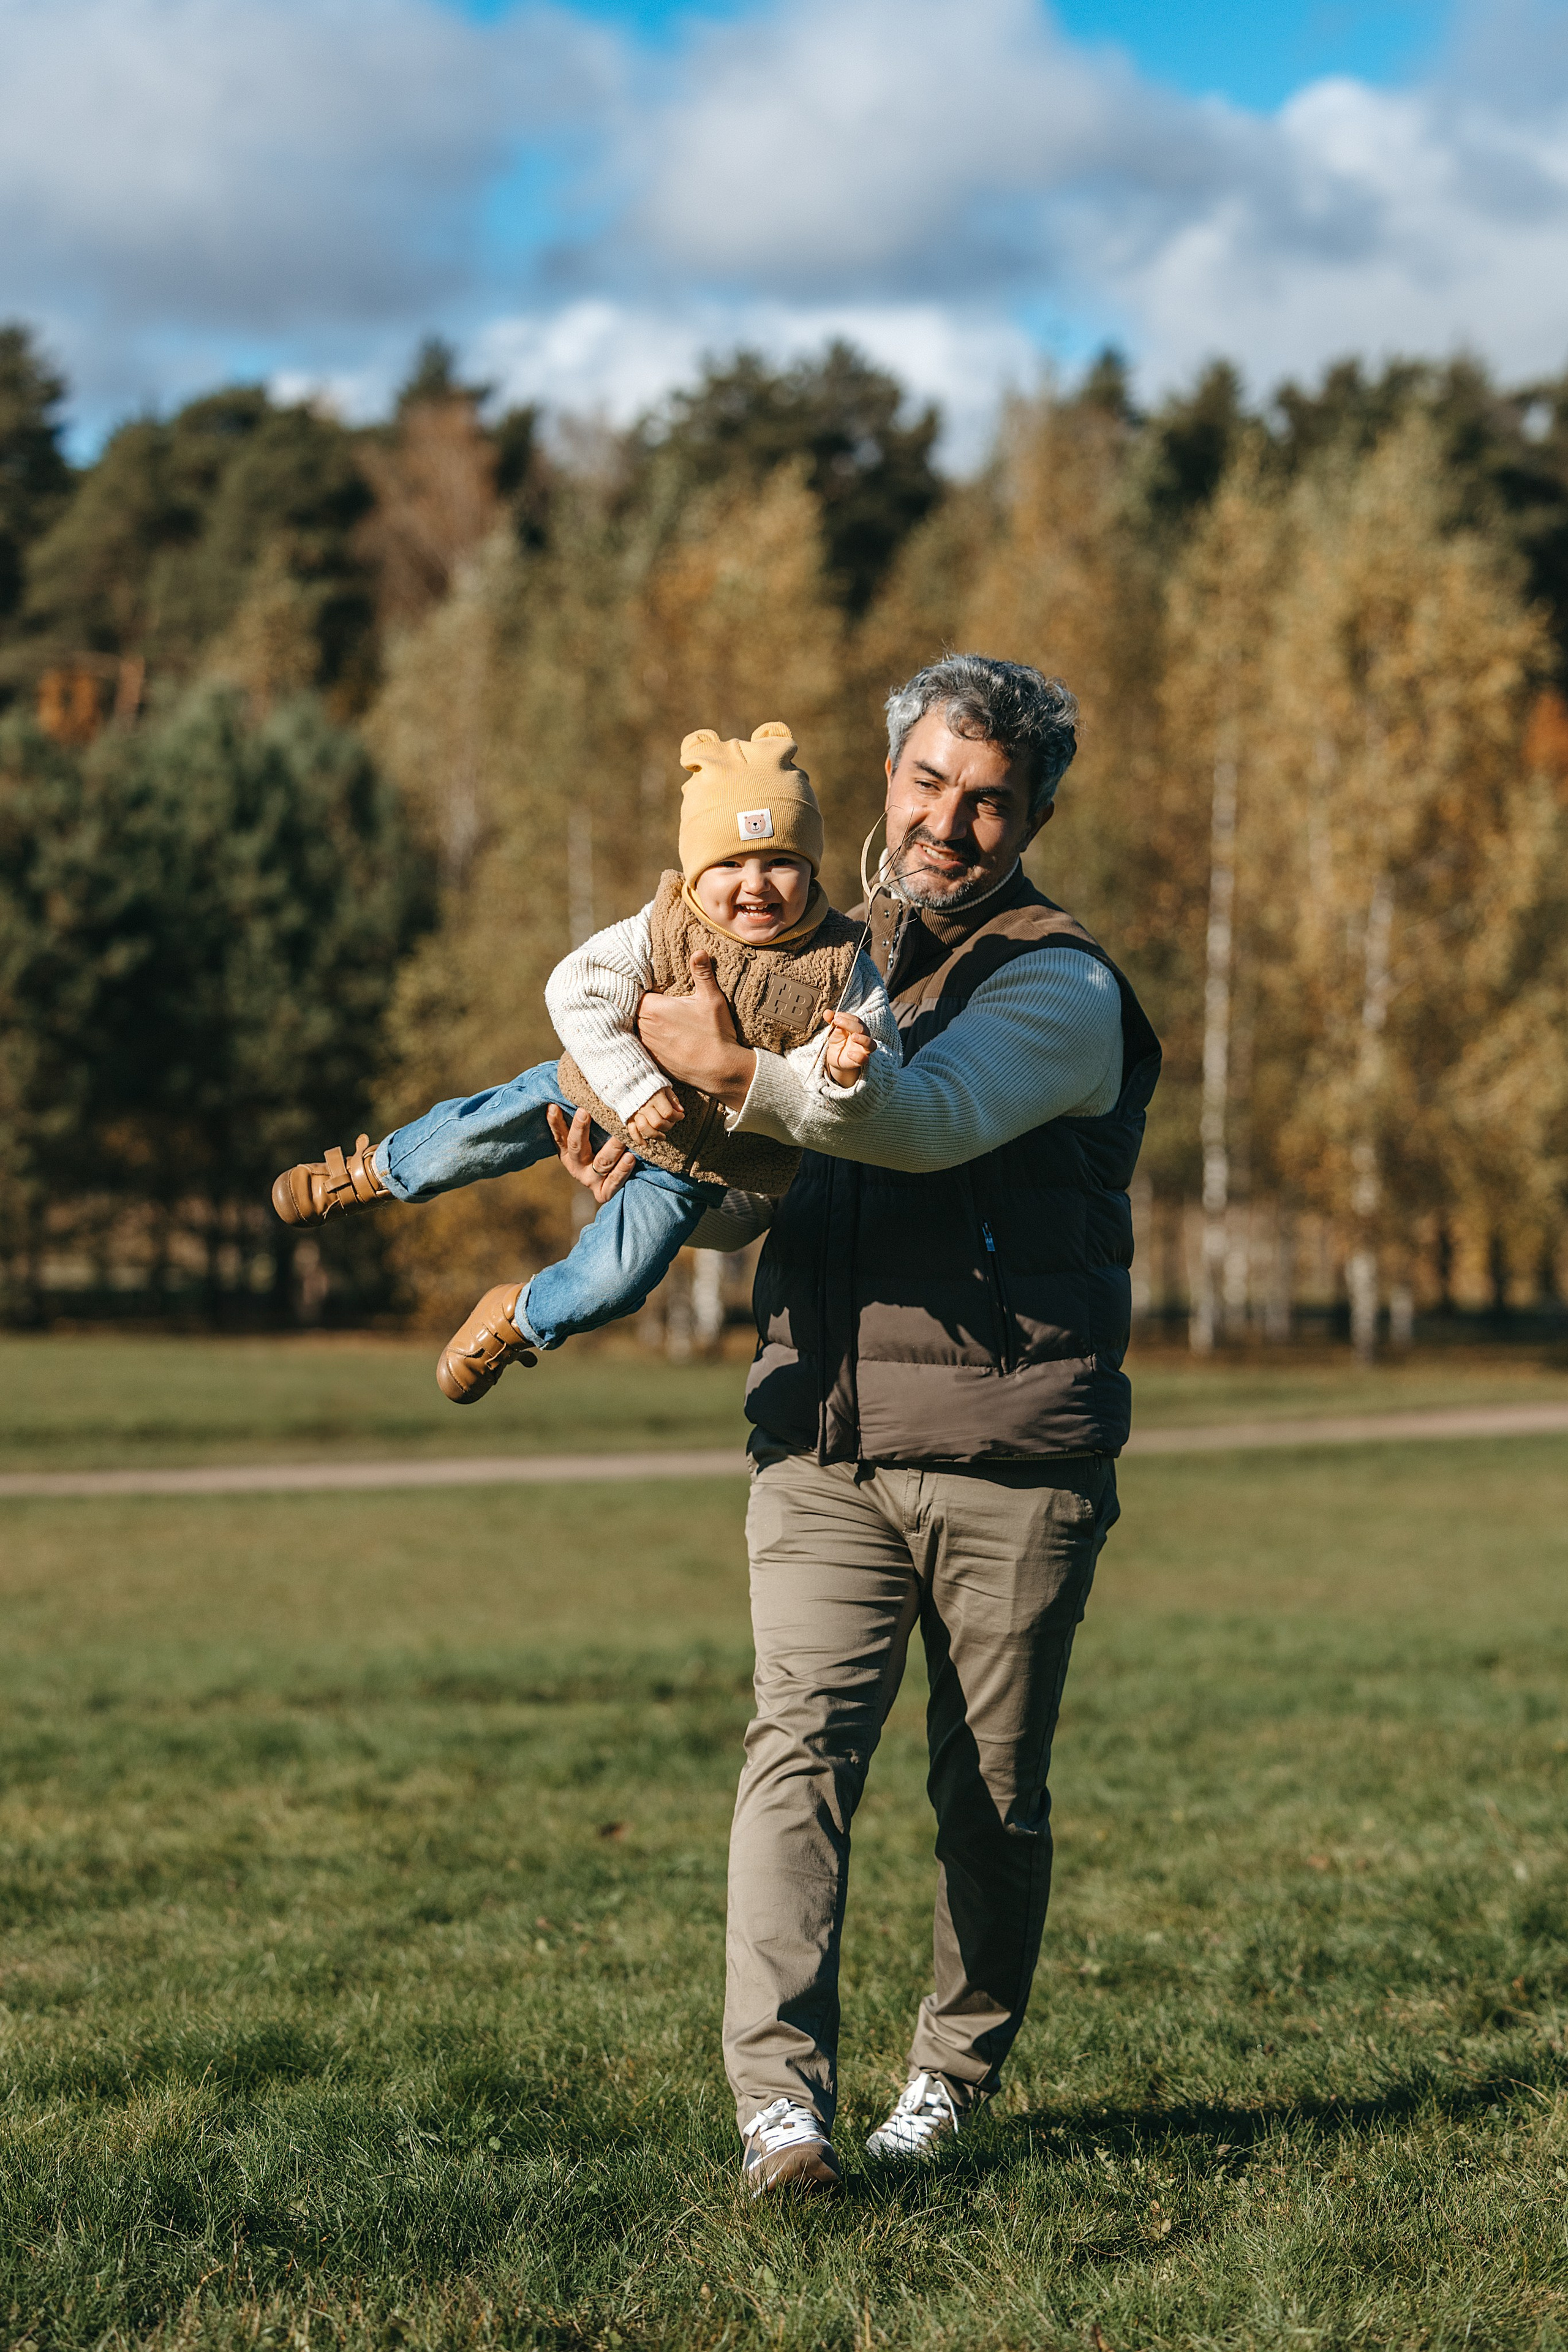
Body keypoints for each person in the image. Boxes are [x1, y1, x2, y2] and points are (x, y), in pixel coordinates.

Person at [608, 653, 1163, 2194]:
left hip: (1013, 1454)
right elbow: (766, 1192)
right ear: (889, 775)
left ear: (1034, 813)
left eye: (989, 799)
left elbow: (911, 1123)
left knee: (988, 1789)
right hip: (824, 1443)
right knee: (795, 1753)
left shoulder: (1059, 986)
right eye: (927, 780)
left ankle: (948, 2076)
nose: (949, 820)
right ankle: (778, 2107)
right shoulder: (825, 958)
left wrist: (734, 1068)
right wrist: (662, 1152)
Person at [270, 722, 896, 1398]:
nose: (756, 884)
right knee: (474, 1135)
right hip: (590, 1096)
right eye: (730, 864)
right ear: (694, 869)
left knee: (615, 1283)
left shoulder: (841, 966)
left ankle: (519, 1317)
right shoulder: (661, 927)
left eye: (780, 861)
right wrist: (631, 1089)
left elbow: (878, 1083)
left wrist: (840, 1071)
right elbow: (574, 989)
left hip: (692, 1172)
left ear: (812, 867)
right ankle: (374, 1173)